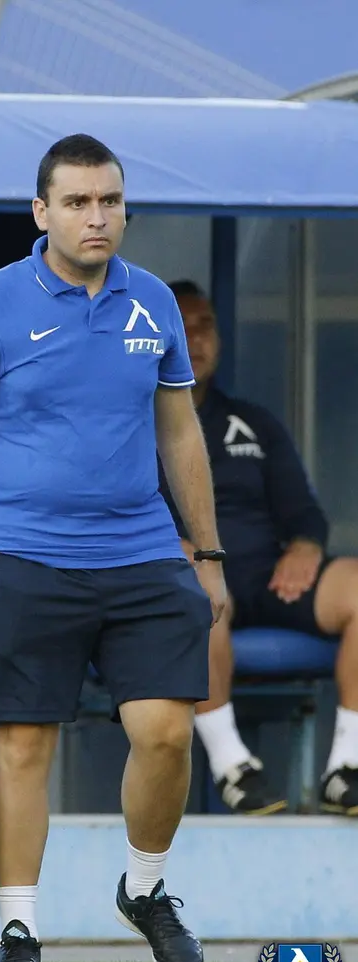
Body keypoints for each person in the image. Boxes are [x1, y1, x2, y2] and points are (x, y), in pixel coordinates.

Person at [0, 134, 224, 962]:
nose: (96, 215)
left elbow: (179, 433)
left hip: (142, 551)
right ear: (42, 212)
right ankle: (19, 931)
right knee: (24, 745)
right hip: (20, 550)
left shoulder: (154, 302)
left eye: (109, 200)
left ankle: (145, 891)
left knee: (166, 734)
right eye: (77, 202)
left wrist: (209, 553)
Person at [163, 280, 358, 816]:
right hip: (190, 577)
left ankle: (347, 767)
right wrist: (176, 547)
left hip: (265, 576)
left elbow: (304, 512)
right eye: (182, 326)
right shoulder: (135, 420)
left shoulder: (251, 421)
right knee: (193, 588)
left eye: (205, 326)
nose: (196, 339)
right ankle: (233, 767)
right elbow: (118, 508)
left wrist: (305, 546)